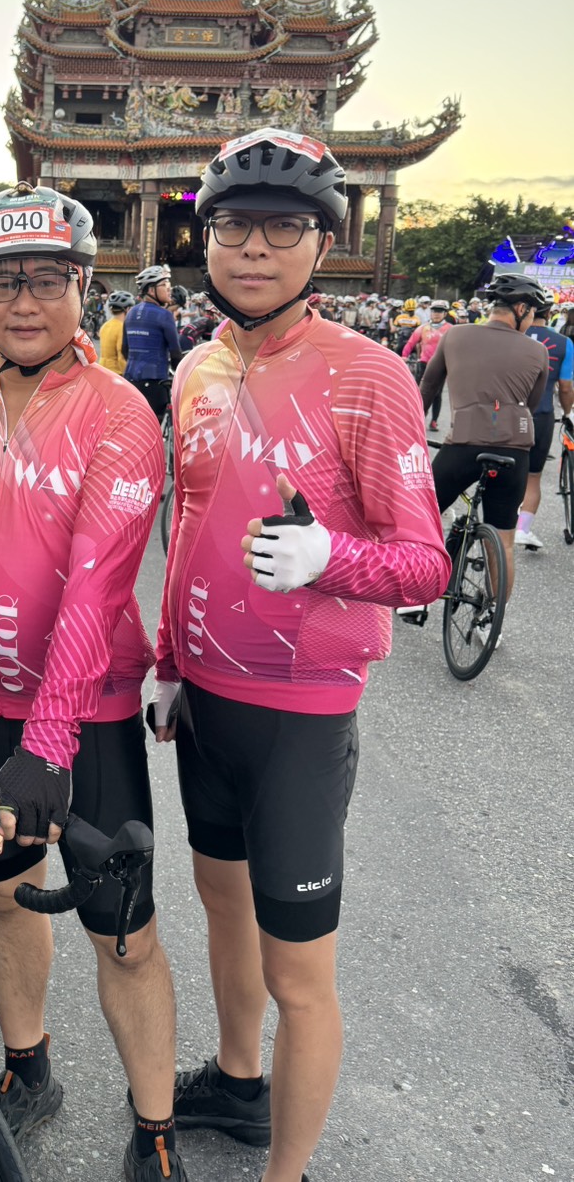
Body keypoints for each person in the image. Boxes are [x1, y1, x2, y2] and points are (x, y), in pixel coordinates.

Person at [153, 128, 449, 1182]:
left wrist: (332, 557)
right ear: (205, 236)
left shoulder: (369, 375)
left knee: (300, 974)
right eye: (235, 224)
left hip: (300, 712)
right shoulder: (196, 366)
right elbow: (189, 522)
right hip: (203, 701)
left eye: (284, 228)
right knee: (221, 907)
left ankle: (289, 1172)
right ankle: (240, 1084)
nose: (254, 247)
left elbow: (427, 563)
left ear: (324, 245)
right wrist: (167, 657)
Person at [0, 182, 186, 1182]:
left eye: (47, 280)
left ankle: (154, 1129)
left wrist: (50, 741)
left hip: (83, 720)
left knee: (124, 935)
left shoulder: (121, 415)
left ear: (83, 287)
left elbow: (96, 589)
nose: (23, 301)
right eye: (3, 280)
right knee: (7, 900)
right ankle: (28, 1069)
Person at [418, 273, 549, 604]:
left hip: (463, 445)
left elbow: (429, 386)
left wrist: (410, 430)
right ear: (521, 309)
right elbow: (530, 405)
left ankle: (412, 597)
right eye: (532, 313)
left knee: (420, 519)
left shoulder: (455, 335)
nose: (531, 320)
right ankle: (492, 614)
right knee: (504, 540)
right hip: (515, 451)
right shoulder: (538, 351)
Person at [514, 290, 574, 549]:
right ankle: (522, 529)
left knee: (501, 469)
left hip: (506, 413)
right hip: (541, 414)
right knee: (533, 476)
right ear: (549, 313)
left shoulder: (511, 335)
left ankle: (496, 524)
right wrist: (568, 413)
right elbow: (565, 387)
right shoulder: (564, 343)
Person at [124, 264, 185, 421]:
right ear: (151, 290)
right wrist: (179, 374)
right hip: (155, 381)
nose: (169, 289)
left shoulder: (130, 313)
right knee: (153, 427)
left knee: (134, 426)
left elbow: (125, 350)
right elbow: (176, 353)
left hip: (130, 381)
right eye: (164, 285)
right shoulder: (164, 315)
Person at [401, 299, 453, 430]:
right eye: (434, 311)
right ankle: (419, 419)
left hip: (441, 366)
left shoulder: (450, 329)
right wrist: (404, 356)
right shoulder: (423, 328)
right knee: (420, 393)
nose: (437, 314)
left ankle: (434, 420)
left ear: (445, 314)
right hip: (423, 364)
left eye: (440, 311)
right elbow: (410, 343)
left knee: (437, 394)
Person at [98, 289, 132, 374]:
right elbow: (121, 356)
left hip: (102, 369)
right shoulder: (121, 327)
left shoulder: (105, 325)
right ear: (127, 309)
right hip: (116, 372)